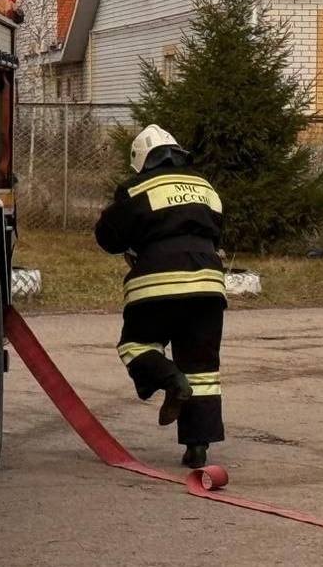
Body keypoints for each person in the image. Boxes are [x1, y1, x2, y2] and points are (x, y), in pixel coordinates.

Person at [94, 124, 227, 469]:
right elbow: (217, 230)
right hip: (208, 284)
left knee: (136, 345)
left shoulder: (136, 187)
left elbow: (108, 237)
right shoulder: (205, 186)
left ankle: (170, 379)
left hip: (157, 282)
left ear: (142, 160)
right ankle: (198, 448)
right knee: (202, 369)